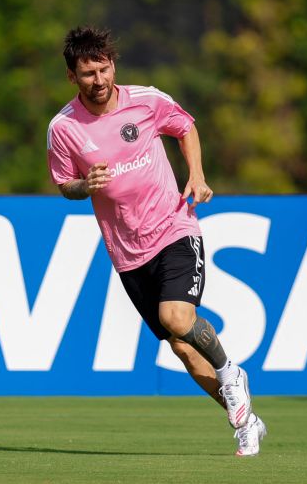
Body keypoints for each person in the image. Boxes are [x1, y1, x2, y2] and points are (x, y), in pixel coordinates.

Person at [46, 26, 266, 455]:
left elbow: (185, 127)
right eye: (88, 73)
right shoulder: (63, 127)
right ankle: (246, 422)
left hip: (173, 227)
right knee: (183, 349)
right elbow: (64, 184)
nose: (99, 79)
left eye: (104, 69)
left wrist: (196, 175)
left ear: (113, 65)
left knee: (177, 317)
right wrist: (84, 185)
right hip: (128, 253)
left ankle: (230, 371)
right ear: (72, 76)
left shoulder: (146, 101)